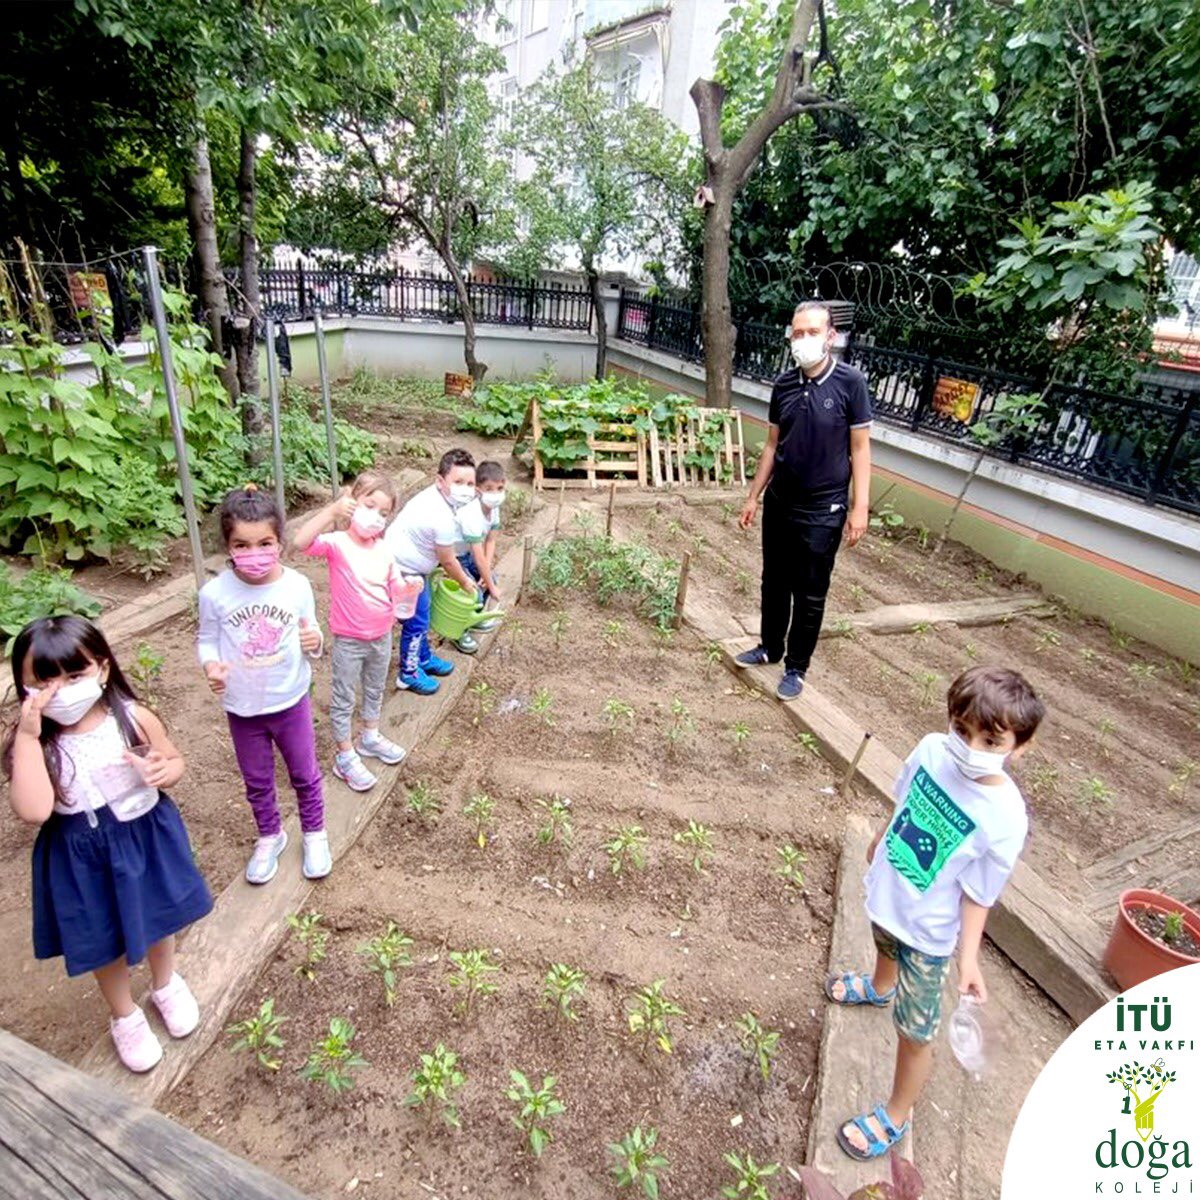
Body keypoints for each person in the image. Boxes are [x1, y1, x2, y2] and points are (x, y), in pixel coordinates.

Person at [825, 665, 1044, 1161]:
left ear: (1019, 746)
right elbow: (903, 801)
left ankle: (896, 1115)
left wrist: (967, 959)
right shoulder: (929, 750)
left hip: (929, 936)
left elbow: (979, 893)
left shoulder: (1005, 816)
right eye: (961, 730)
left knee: (915, 1029)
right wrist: (882, 839)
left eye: (990, 740)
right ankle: (879, 987)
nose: (970, 747)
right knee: (882, 939)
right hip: (890, 894)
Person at [4, 615, 213, 1073]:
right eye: (44, 682)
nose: (59, 690)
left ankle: (165, 983)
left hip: (143, 835)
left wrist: (164, 771)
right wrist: (26, 735)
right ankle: (125, 1015)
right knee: (102, 939)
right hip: (79, 853)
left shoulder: (132, 716)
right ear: (23, 688)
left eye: (73, 675)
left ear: (101, 669)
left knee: (159, 918)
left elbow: (173, 760)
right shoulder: (37, 745)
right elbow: (36, 810)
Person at [737, 301, 873, 700]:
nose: (804, 340)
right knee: (773, 582)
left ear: (830, 337)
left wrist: (860, 507)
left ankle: (796, 667)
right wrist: (753, 496)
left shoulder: (851, 384)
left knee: (810, 592)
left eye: (812, 332)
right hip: (780, 501)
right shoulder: (783, 385)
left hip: (823, 508)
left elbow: (861, 450)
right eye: (797, 333)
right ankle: (769, 648)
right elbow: (772, 445)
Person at [198, 485, 331, 884]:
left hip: (290, 700)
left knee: (305, 773)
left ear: (279, 541)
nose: (254, 552)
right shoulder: (214, 593)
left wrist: (316, 642)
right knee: (256, 780)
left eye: (265, 543)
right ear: (228, 545)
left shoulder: (296, 586)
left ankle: (315, 832)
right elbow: (206, 640)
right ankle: (270, 834)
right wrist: (211, 667)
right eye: (242, 544)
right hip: (242, 708)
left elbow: (312, 633)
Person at [293, 470, 409, 793]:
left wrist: (406, 589)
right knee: (344, 697)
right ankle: (345, 754)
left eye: (384, 513)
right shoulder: (337, 544)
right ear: (352, 503)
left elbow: (395, 586)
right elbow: (300, 542)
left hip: (382, 635)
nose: (376, 517)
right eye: (369, 506)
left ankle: (370, 736)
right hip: (349, 640)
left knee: (374, 688)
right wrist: (331, 511)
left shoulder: (384, 549)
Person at [384, 447, 481, 694]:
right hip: (403, 570)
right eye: (458, 481)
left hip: (413, 567)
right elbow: (448, 561)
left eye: (470, 483)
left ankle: (423, 658)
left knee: (422, 614)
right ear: (440, 481)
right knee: (416, 622)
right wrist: (466, 583)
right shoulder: (441, 517)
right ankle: (408, 673)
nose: (465, 488)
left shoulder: (441, 498)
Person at [449, 459, 506, 655]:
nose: (496, 494)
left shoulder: (494, 509)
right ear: (478, 489)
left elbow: (490, 541)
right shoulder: (470, 514)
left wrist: (487, 573)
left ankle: (476, 618)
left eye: (500, 488)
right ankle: (458, 632)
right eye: (489, 488)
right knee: (472, 591)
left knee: (488, 579)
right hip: (454, 556)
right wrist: (490, 585)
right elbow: (477, 553)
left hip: (471, 554)